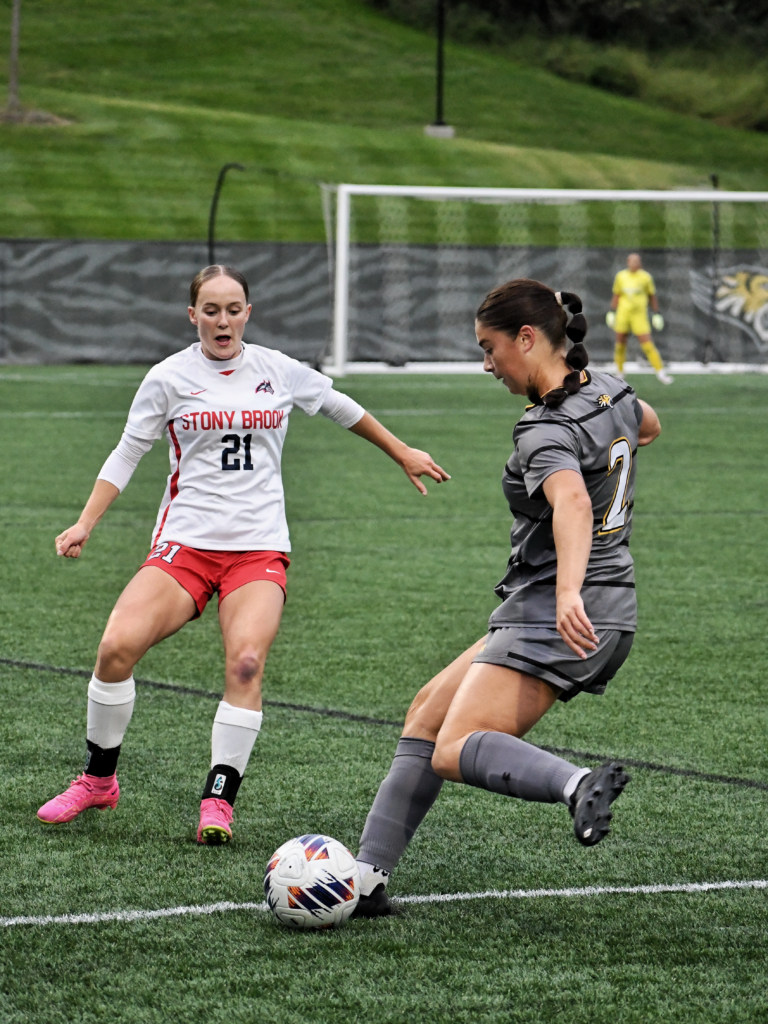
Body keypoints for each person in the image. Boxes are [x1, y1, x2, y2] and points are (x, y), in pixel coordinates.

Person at [37, 264, 450, 845]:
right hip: (185, 546)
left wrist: (400, 449)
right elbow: (127, 452)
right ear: (193, 316)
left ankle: (218, 799)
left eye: (233, 309)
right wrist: (86, 521)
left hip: (257, 549)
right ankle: (99, 780)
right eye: (211, 310)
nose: (222, 320)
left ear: (248, 313)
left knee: (246, 664)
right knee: (115, 648)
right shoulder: (168, 377)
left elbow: (338, 406)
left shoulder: (277, 370)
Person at [351, 279, 661, 918]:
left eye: (490, 348)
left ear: (527, 338)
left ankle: (578, 785)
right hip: (580, 602)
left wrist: (570, 589)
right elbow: (646, 425)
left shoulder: (542, 428)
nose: (486, 364)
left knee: (455, 746)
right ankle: (365, 880)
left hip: (565, 608)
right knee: (427, 716)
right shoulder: (609, 387)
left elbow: (572, 501)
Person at [607, 253, 672, 385]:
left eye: (637, 261)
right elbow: (617, 295)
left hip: (639, 316)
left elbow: (652, 296)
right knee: (620, 344)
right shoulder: (621, 276)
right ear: (627, 262)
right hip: (623, 314)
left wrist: (656, 313)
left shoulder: (645, 277)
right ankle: (619, 372)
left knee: (647, 344)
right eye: (632, 261)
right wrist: (611, 311)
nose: (635, 263)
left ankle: (660, 372)